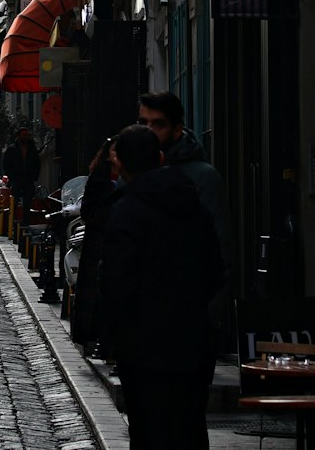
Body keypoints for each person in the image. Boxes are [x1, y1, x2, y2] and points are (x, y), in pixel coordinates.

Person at [99, 124, 223, 450]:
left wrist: (117, 335)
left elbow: (116, 284)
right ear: (160, 157)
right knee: (191, 430)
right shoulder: (192, 206)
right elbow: (215, 270)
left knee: (149, 431)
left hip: (143, 349)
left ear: (121, 165)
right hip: (192, 342)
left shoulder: (126, 212)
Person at [137, 90, 233, 331]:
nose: (149, 131)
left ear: (177, 130)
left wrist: (206, 316)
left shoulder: (203, 178)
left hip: (189, 321)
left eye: (158, 124)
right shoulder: (133, 174)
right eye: (143, 123)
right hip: (141, 324)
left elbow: (220, 253)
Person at [70, 137, 119, 358]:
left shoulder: (133, 180)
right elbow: (87, 211)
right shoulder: (98, 179)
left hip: (119, 242)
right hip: (99, 241)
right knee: (96, 293)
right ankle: (96, 338)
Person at [3, 126, 41, 225]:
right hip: (16, 179)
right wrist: (11, 177)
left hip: (28, 179)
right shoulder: (12, 149)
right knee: (14, 202)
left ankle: (26, 223)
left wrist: (34, 176)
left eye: (27, 135)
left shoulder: (32, 149)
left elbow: (37, 163)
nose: (26, 137)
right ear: (19, 136)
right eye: (23, 135)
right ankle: (10, 223)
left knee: (27, 202)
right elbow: (6, 164)